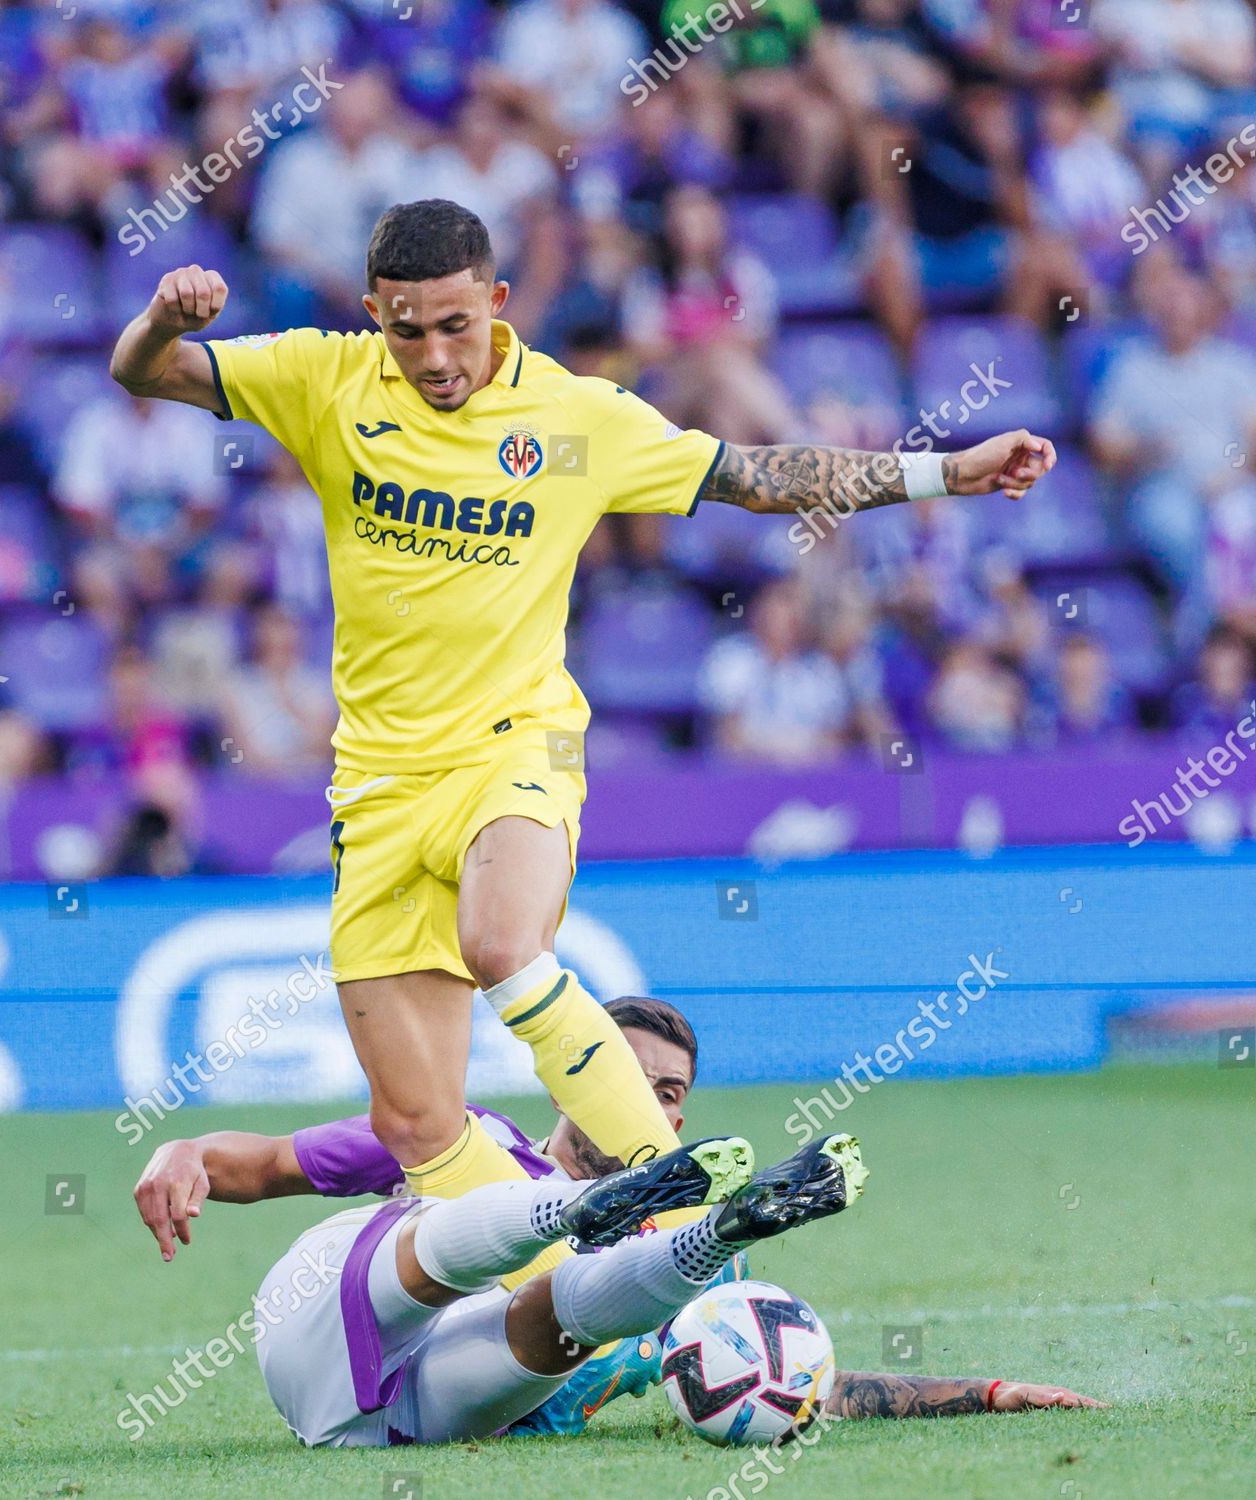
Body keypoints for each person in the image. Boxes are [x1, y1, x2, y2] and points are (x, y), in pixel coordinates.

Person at [108, 196, 1055, 1234]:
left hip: (514, 746)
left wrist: (946, 472)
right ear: (374, 311)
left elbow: (761, 479)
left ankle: (678, 1201)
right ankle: (574, 1284)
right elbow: (143, 373)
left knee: (500, 941)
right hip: (376, 788)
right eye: (405, 327)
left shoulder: (577, 419)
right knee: (417, 1126)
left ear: (499, 303)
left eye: (454, 324)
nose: (431, 354)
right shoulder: (325, 378)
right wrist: (164, 319)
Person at [132, 998, 1101, 1444]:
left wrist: (986, 1391)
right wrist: (179, 1157)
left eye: (664, 1091)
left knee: (564, 1310)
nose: (643, 1099)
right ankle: (569, 1209)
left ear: (676, 1117)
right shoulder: (454, 1134)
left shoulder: (686, 1284)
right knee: (447, 1228)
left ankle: (713, 1227)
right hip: (324, 1330)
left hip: (427, 1420)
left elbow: (795, 1383)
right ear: (568, 1080)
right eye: (616, 1078)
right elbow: (249, 1166)